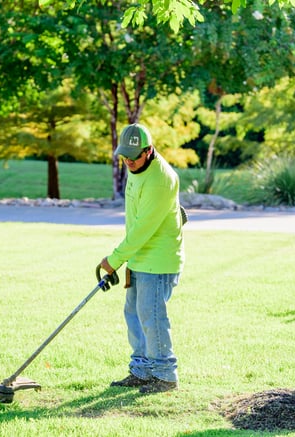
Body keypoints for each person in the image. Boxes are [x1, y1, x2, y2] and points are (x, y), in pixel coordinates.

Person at [100, 123, 186, 394]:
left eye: (134, 157)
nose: (128, 162)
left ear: (148, 151)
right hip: (139, 258)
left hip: (159, 261)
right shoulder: (136, 169)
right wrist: (125, 259)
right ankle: (141, 370)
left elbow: (143, 229)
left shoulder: (161, 179)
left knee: (152, 317)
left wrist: (113, 259)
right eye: (124, 157)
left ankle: (164, 375)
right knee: (134, 314)